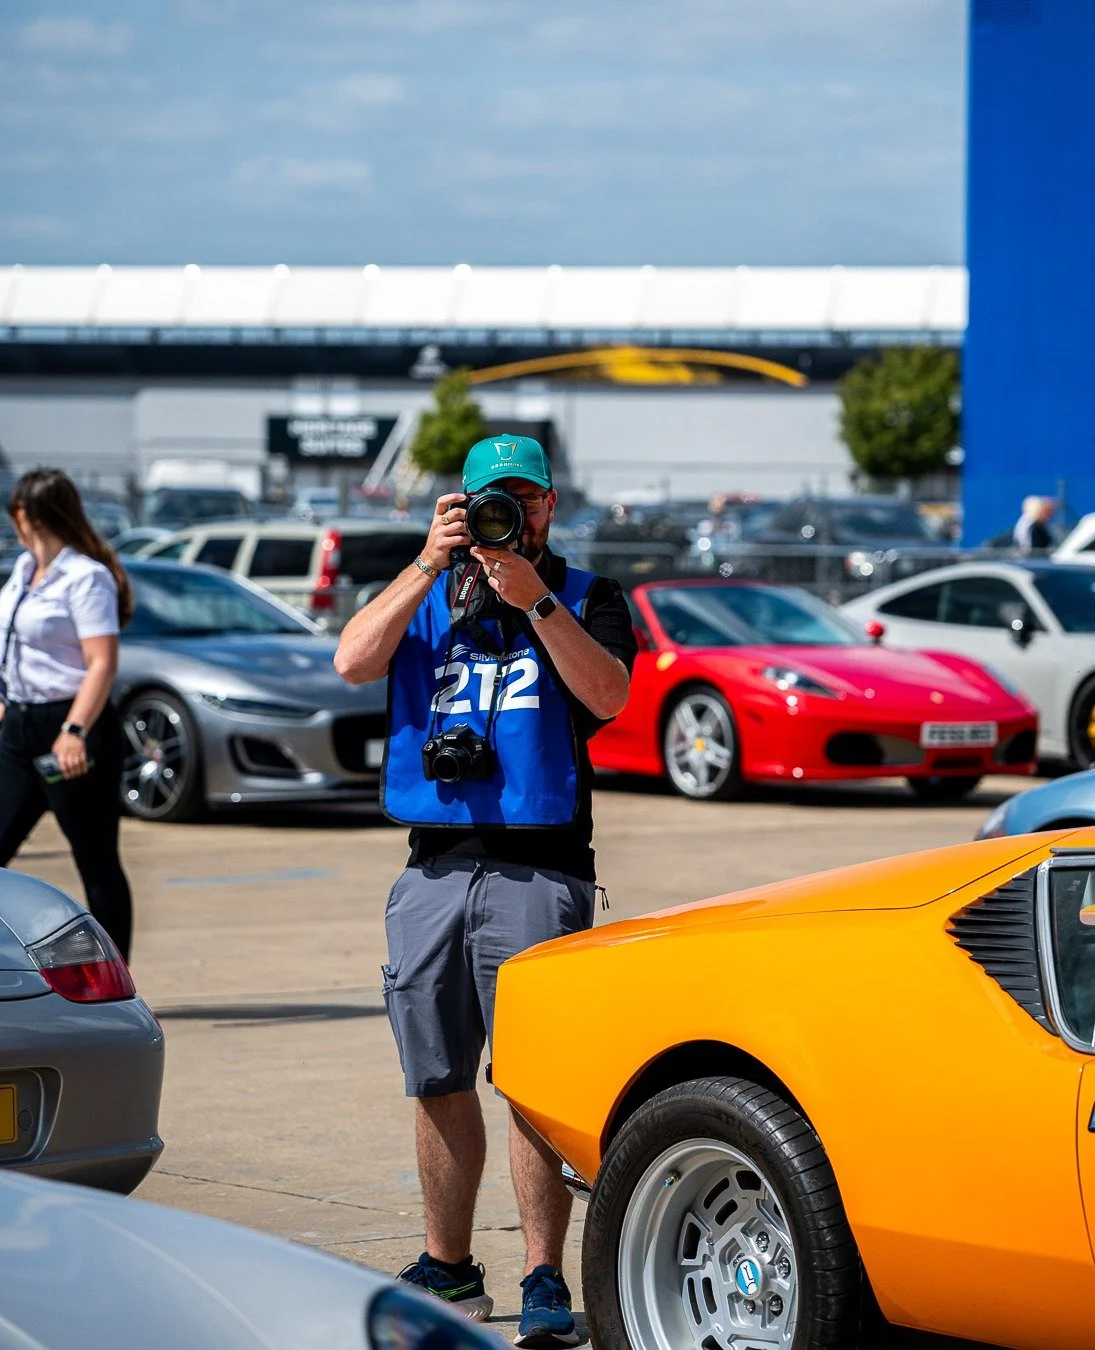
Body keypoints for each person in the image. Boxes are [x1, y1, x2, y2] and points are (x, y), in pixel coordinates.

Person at [334, 435, 636, 1347]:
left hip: (540, 869)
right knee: (434, 1075)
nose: (511, 515)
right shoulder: (426, 592)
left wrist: (534, 601)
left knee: (533, 1085)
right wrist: (428, 562)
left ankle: (544, 1276)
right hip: (431, 867)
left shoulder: (587, 596)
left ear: (550, 505)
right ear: (457, 508)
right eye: (488, 502)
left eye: (526, 499)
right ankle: (450, 1264)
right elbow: (352, 661)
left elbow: (611, 695)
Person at [0, 468, 134, 961]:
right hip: (19, 726)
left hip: (72, 730)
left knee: (96, 862)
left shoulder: (86, 577)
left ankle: (118, 982)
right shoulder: (22, 571)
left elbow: (101, 661)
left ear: (28, 516)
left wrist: (74, 730)